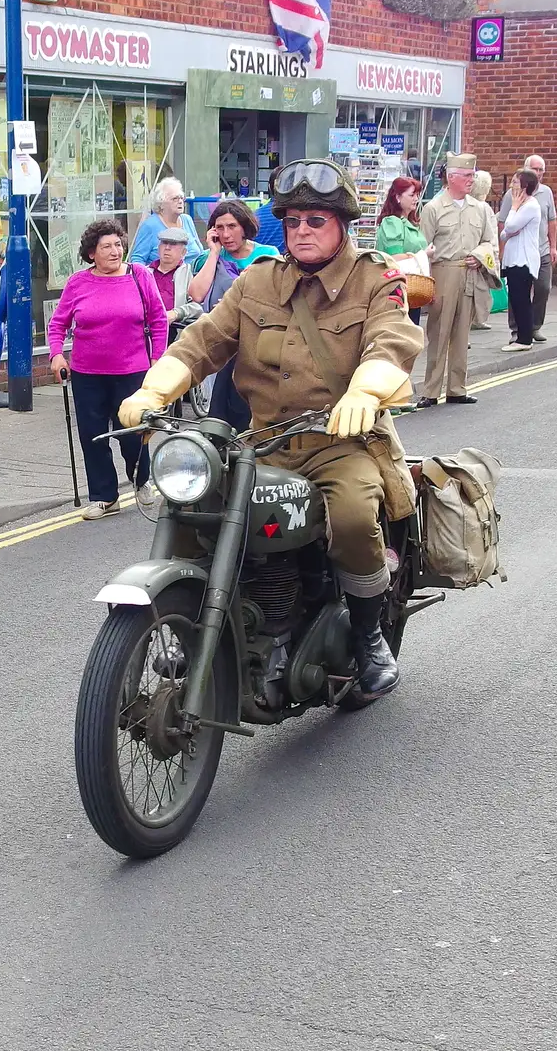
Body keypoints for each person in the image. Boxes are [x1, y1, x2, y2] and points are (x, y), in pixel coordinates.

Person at [115, 158, 423, 702]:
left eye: (317, 220)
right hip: (265, 443)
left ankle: (368, 633)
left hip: (341, 442)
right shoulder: (258, 282)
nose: (303, 230)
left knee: (352, 515)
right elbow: (204, 340)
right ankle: (194, 616)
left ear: (342, 224)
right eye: (295, 219)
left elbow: (393, 342)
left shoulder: (376, 280)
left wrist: (364, 394)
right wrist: (153, 390)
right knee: (193, 503)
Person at [47, 218, 167, 519]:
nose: (115, 251)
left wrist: (158, 359)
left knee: (132, 431)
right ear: (91, 254)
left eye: (117, 244)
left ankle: (140, 480)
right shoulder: (78, 283)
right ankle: (104, 497)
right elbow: (58, 323)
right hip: (88, 374)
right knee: (92, 435)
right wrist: (56, 355)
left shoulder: (139, 276)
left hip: (132, 371)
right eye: (106, 247)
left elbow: (158, 319)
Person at [186, 199, 279, 430]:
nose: (226, 234)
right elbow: (196, 294)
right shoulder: (211, 258)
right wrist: (214, 253)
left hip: (257, 342)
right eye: (220, 228)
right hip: (224, 343)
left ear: (244, 226)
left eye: (232, 226)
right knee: (221, 415)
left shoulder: (267, 255)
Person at [416, 152, 497, 408]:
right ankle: (430, 391)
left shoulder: (481, 209)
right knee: (439, 332)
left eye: (472, 175)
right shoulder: (433, 208)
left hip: (470, 272)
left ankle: (457, 388)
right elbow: (423, 246)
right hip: (443, 272)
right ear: (451, 178)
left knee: (463, 334)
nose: (471, 180)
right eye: (466, 175)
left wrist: (480, 256)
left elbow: (490, 242)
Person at [496, 154, 557, 342]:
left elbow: (552, 220)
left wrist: (553, 246)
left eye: (541, 170)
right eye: (535, 169)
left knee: (543, 288)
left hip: (542, 250)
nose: (538, 173)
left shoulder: (546, 193)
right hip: (520, 252)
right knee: (518, 291)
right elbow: (503, 223)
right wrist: (502, 249)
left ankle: (534, 326)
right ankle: (517, 329)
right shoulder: (511, 195)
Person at [374, 175, 427, 333]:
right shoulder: (392, 222)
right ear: (397, 197)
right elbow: (394, 257)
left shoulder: (409, 222)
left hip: (411, 288)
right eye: (411, 195)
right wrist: (423, 255)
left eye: (417, 194)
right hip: (397, 289)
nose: (416, 199)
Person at [498, 169, 542, 352]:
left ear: (525, 186)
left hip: (523, 260)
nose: (511, 186)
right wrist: (510, 228)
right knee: (516, 299)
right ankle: (523, 338)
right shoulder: (523, 207)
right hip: (514, 259)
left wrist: (514, 209)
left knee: (521, 300)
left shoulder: (530, 205)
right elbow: (503, 234)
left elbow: (510, 226)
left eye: (515, 182)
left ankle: (524, 339)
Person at [129, 176, 203, 266]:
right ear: (161, 204)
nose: (180, 201)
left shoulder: (187, 220)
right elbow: (137, 259)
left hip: (193, 277)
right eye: (175, 199)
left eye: (181, 198)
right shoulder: (150, 225)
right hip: (161, 278)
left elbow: (200, 251)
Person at [468, 169, 497, 332]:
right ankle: (477, 319)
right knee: (481, 290)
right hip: (481, 255)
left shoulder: (471, 204)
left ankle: (474, 319)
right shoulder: (484, 207)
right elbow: (491, 236)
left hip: (473, 254)